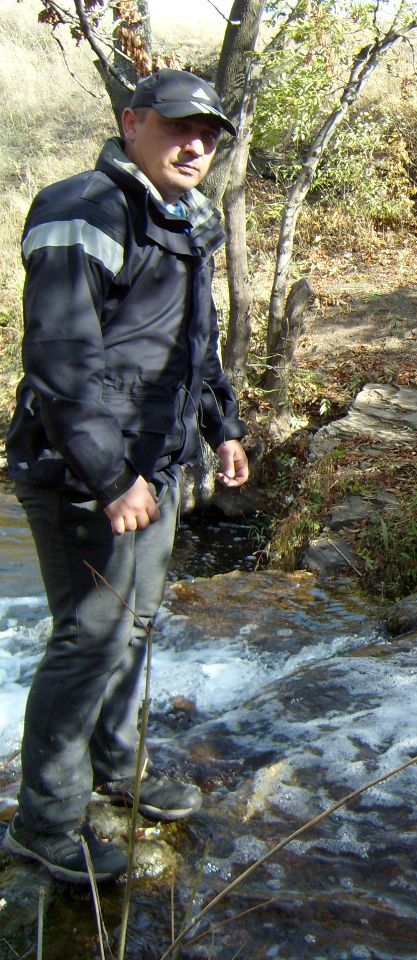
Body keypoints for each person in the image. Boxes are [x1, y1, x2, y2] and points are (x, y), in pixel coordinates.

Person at [2, 69, 250, 884]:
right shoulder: (83, 209)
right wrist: (111, 479)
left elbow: (192, 347)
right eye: (179, 127)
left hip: (158, 466)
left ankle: (117, 770)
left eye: (209, 135)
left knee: (133, 628)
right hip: (86, 473)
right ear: (130, 121)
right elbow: (62, 362)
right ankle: (47, 823)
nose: (196, 145)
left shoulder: (183, 219)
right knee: (90, 638)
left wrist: (223, 429)